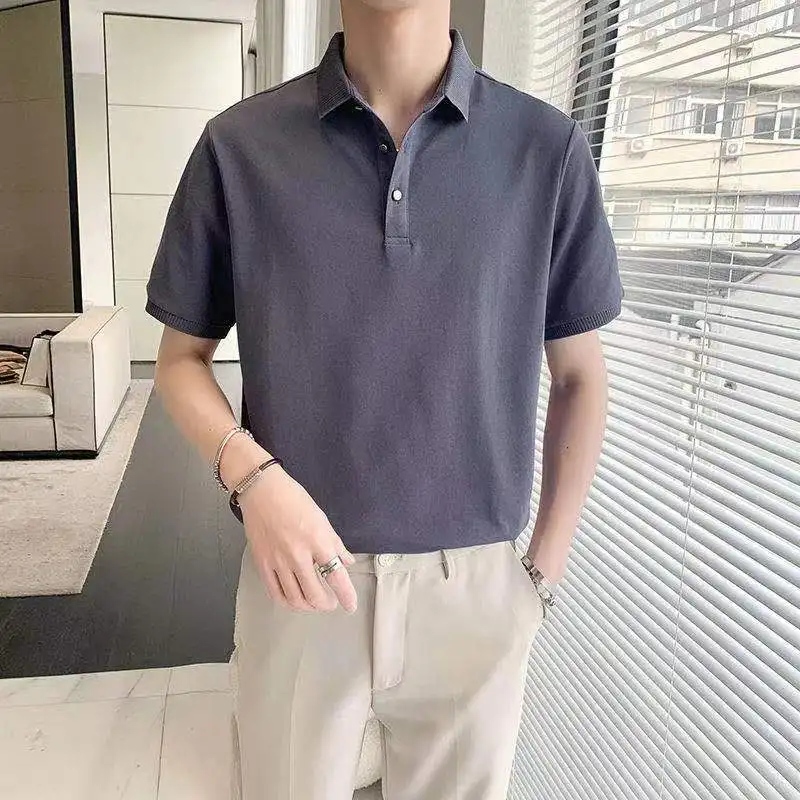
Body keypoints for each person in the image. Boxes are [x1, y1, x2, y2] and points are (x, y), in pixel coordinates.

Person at [145, 0, 623, 797]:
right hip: (298, 585)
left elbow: (580, 374)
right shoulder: (240, 146)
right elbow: (179, 360)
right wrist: (254, 479)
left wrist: (538, 576)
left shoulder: (545, 149)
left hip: (474, 597)